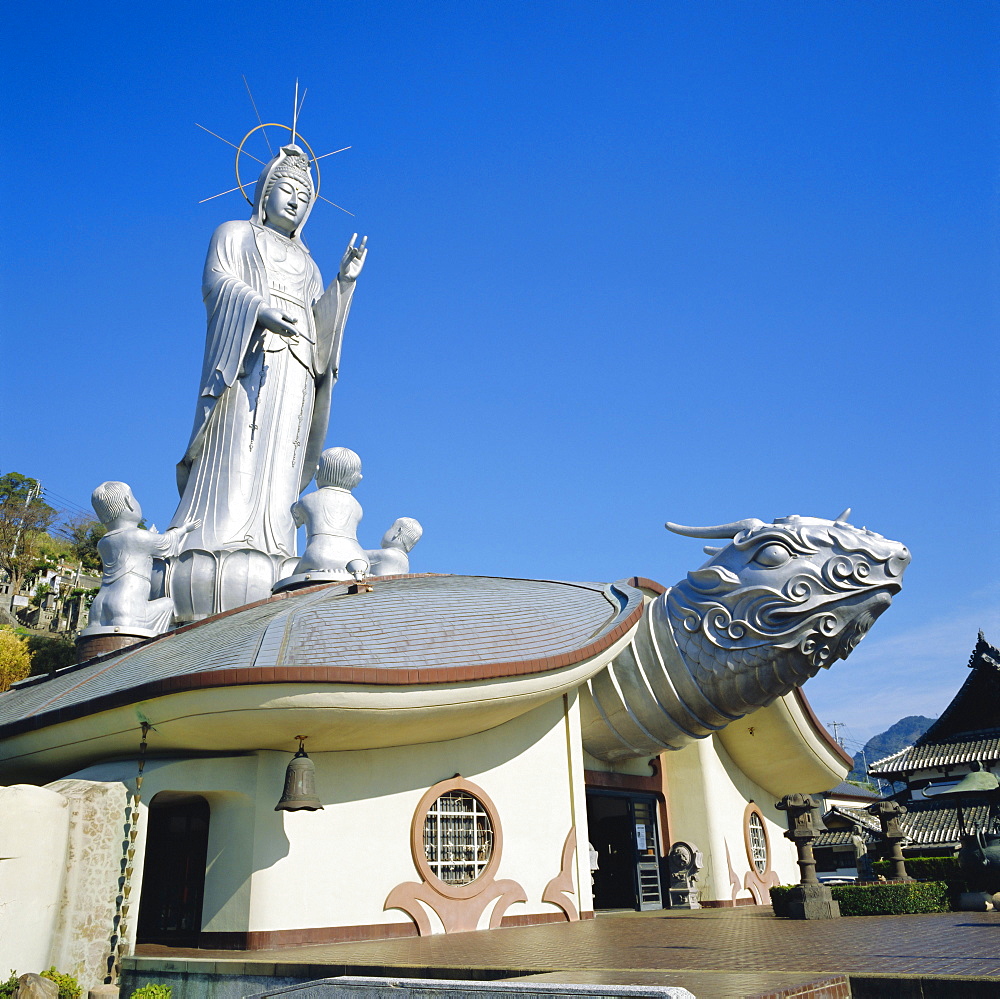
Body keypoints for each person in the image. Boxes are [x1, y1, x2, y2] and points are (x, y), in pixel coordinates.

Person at [166, 144, 367, 617]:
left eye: (305, 196)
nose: (295, 201)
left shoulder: (310, 265)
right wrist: (257, 309)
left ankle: (275, 542)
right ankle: (218, 536)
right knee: (239, 450)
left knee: (280, 463)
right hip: (248, 358)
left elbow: (320, 332)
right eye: (287, 189)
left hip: (295, 369)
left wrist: (342, 283)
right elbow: (217, 283)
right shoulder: (234, 234)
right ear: (264, 191)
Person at [85, 482, 199, 635]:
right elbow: (166, 541)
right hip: (127, 604)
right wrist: (184, 529)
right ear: (128, 502)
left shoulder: (103, 542)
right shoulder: (137, 536)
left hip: (98, 607)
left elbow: (135, 547)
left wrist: (148, 538)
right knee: (167, 603)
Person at [292, 447, 368, 576]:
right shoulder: (357, 506)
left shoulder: (308, 500)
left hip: (319, 555)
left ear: (317, 472)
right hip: (358, 558)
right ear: (358, 479)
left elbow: (296, 519)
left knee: (289, 582)